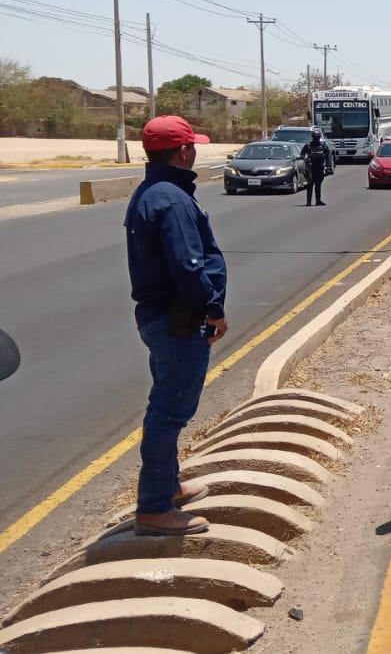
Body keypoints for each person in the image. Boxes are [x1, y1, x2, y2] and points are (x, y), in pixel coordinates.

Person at [124, 116, 227, 536]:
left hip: (163, 317)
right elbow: (189, 265)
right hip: (178, 320)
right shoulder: (172, 199)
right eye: (193, 146)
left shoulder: (153, 192)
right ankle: (152, 507)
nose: (196, 151)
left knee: (167, 403)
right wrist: (213, 308)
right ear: (184, 151)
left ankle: (169, 487)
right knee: (169, 412)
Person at [303, 129, 330, 206]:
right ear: (312, 137)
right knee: (310, 185)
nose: (316, 139)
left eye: (317, 137)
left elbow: (328, 154)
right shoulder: (308, 145)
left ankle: (318, 200)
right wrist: (305, 160)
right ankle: (308, 202)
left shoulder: (323, 145)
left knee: (318, 185)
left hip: (320, 168)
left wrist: (327, 166)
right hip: (311, 168)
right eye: (315, 137)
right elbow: (302, 154)